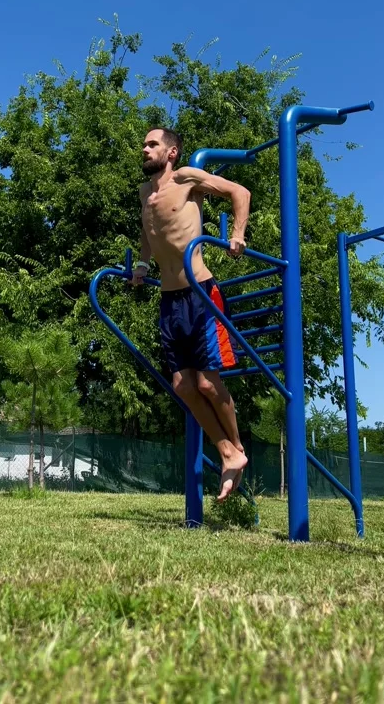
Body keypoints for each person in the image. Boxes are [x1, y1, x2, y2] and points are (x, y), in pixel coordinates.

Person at [131, 127, 251, 502]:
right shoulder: (144, 194)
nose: (145, 148)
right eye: (145, 144)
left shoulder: (185, 179)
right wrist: (141, 265)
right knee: (183, 385)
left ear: (171, 152)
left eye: (153, 144)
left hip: (200, 292)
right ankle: (229, 453)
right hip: (169, 298)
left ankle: (236, 447)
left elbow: (239, 192)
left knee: (207, 384)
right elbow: (149, 234)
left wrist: (238, 233)